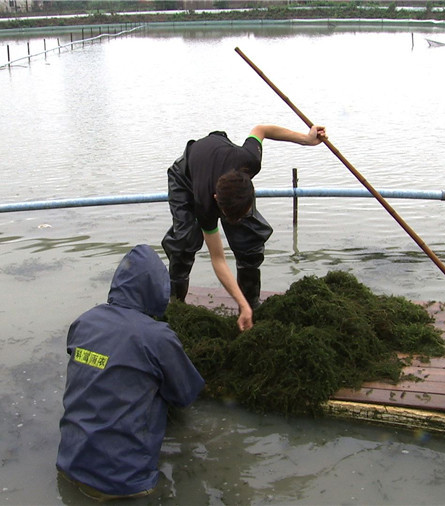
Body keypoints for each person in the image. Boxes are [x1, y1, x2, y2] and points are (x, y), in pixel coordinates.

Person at [56, 244, 205, 500]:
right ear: (158, 289)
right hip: (124, 484)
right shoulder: (157, 337)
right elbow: (185, 395)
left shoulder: (84, 321)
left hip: (68, 466)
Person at [161, 124, 328, 331]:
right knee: (185, 241)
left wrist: (308, 139)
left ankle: (252, 304)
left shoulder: (250, 160)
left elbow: (261, 129)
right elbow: (218, 259)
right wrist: (239, 302)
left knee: (249, 236)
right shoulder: (205, 202)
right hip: (185, 177)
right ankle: (176, 304)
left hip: (226, 172)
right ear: (216, 201)